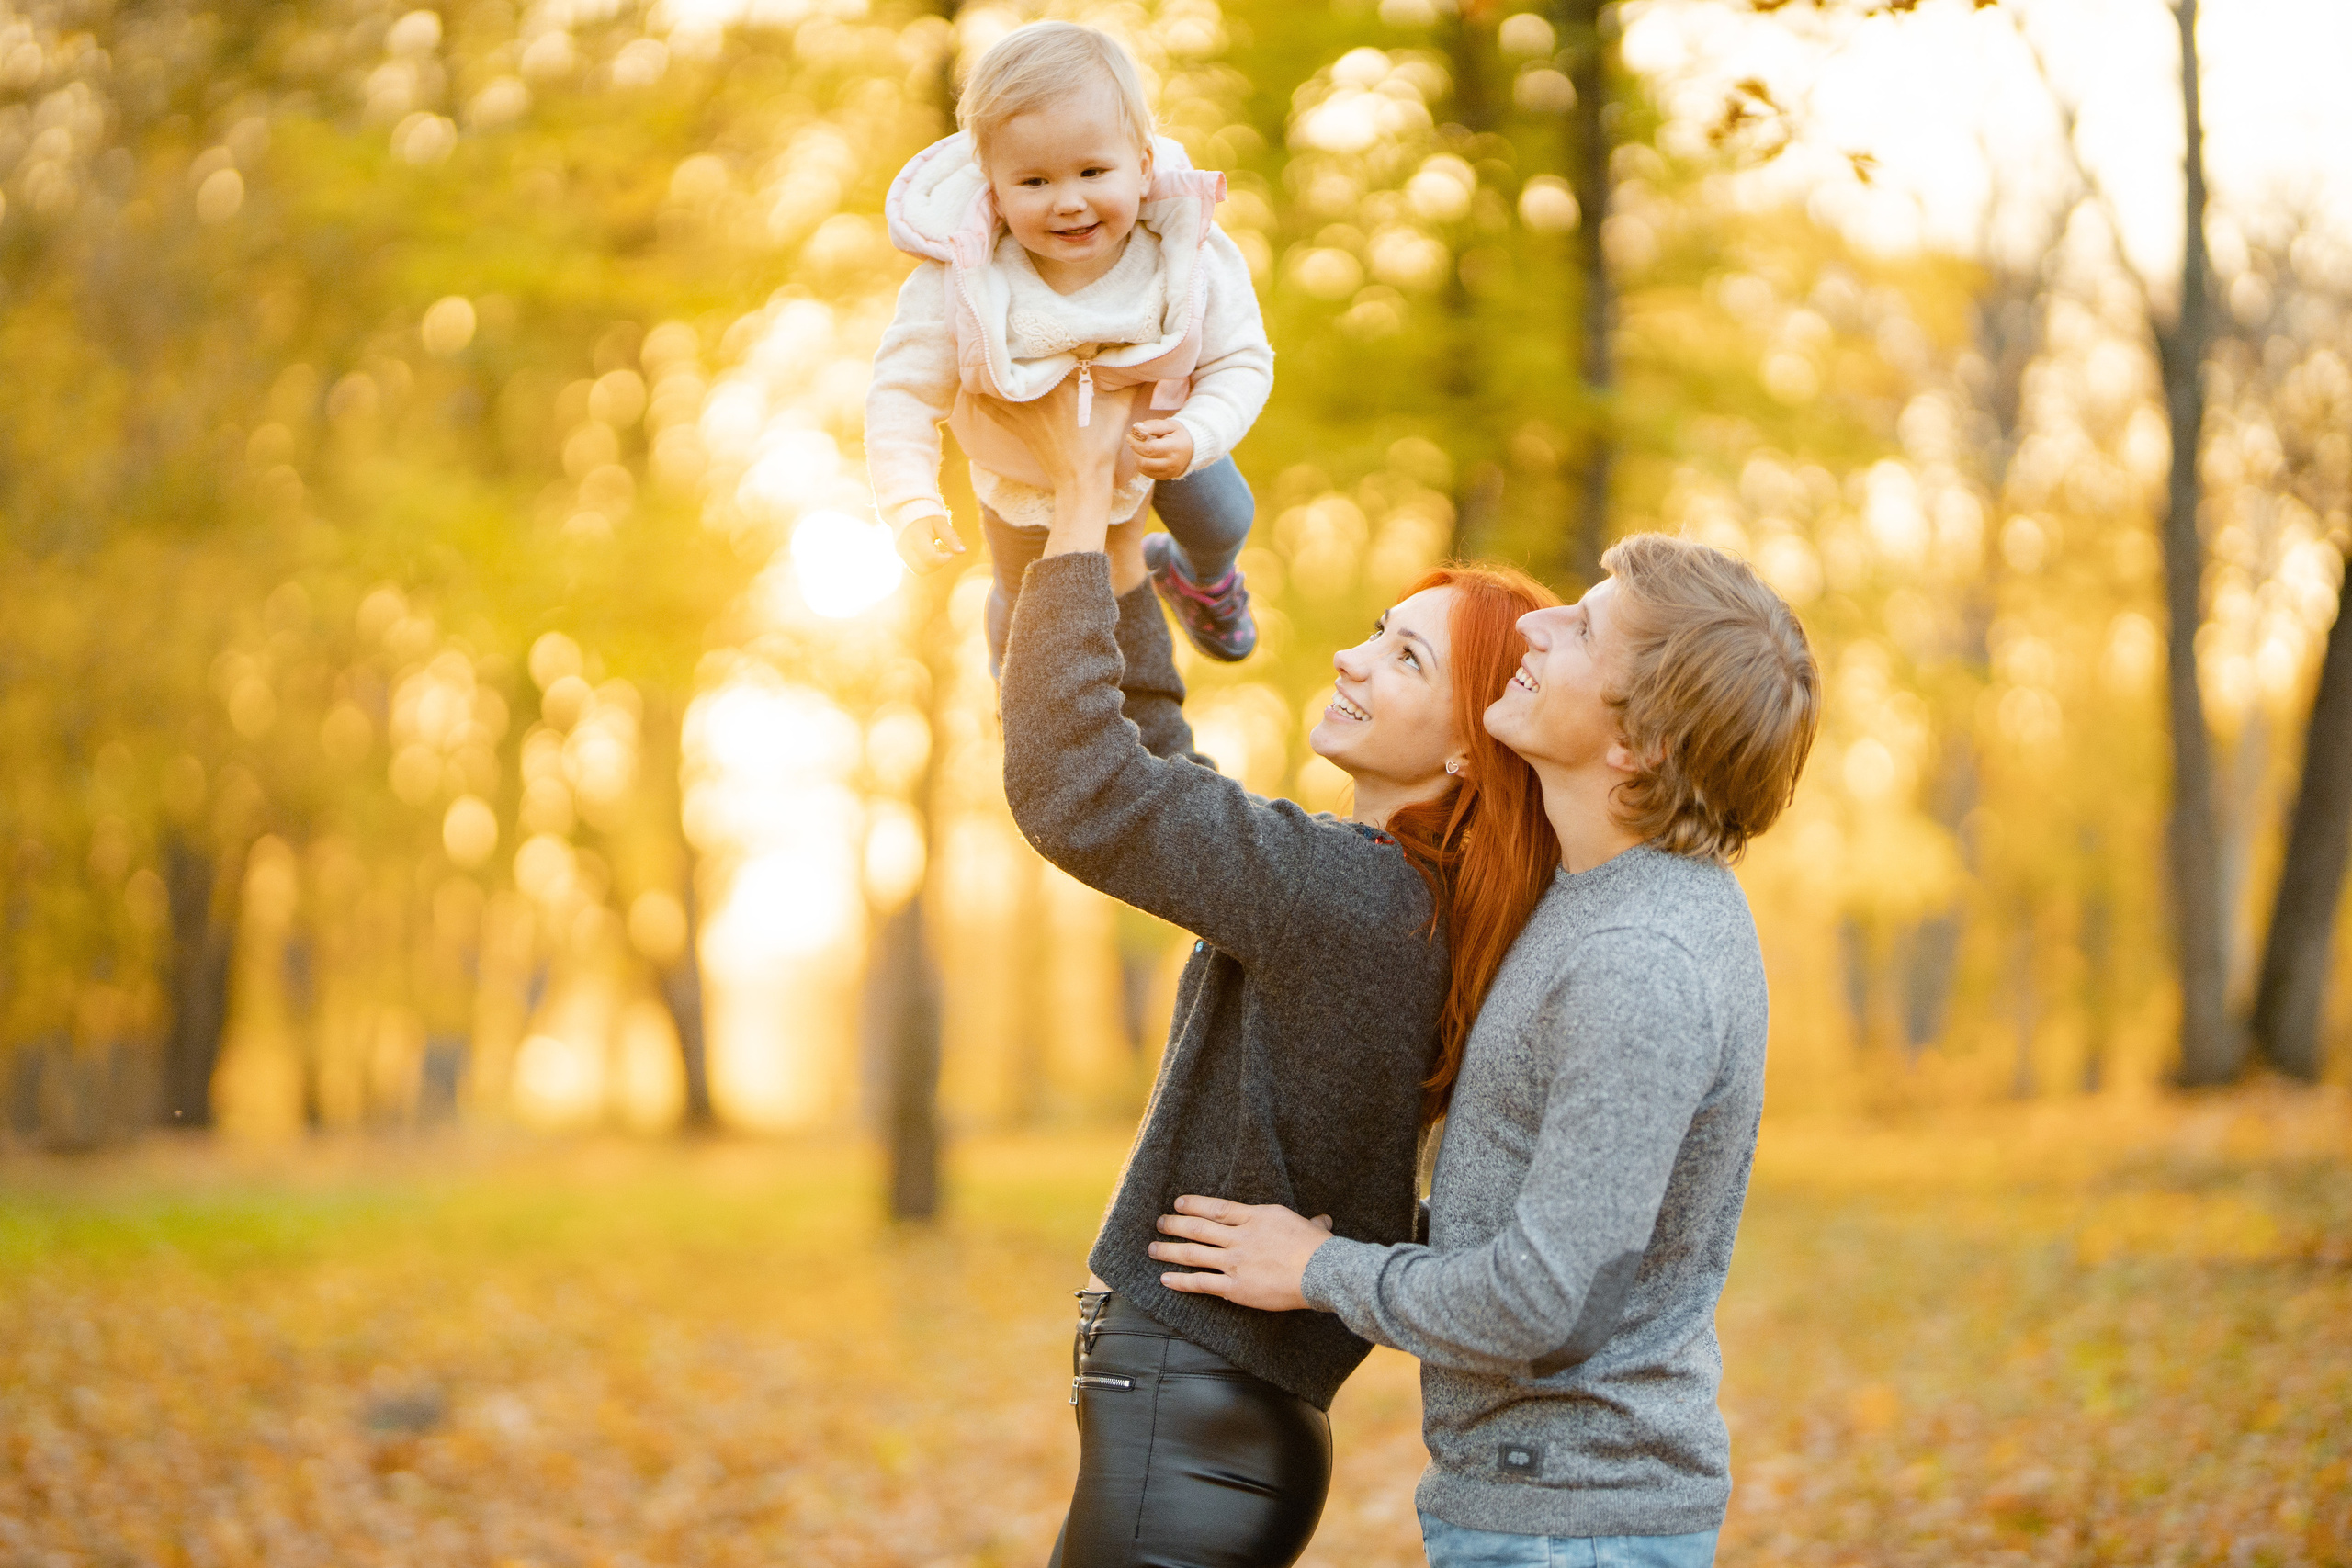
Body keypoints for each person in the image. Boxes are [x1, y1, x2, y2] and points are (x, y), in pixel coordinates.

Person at [1147, 534, 1821, 1568]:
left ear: (1634, 743)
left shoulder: (1638, 961)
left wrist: (1321, 1268)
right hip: (1533, 1508)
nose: (1538, 626)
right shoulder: (1592, 900)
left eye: (1582, 628)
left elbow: (1551, 1300)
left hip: (1568, 1526)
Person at [990, 374, 1561, 1568]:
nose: (1352, 658)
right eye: (1377, 629)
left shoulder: (1355, 897)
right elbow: (1152, 760)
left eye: (1403, 656)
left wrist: (1081, 508)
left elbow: (1081, 787)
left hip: (1194, 1425)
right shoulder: (1388, 895)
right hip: (1208, 1422)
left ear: (1469, 740)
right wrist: (1114, 552)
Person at [867, 20, 1273, 671]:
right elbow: (902, 390)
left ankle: (1202, 579)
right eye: (1034, 182)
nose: (1069, 202)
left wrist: (1198, 431)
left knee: (1225, 515)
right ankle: (1019, 695)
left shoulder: (1186, 253)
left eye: (1092, 171)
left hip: (1158, 435)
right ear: (992, 187)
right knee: (1024, 596)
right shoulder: (962, 276)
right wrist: (910, 501)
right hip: (1023, 465)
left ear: (1141, 166)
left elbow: (1241, 359)